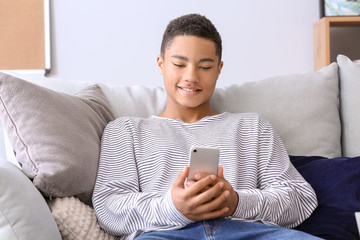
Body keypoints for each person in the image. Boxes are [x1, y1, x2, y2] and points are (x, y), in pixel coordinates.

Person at [93, 14, 320, 240]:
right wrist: (174, 207)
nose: (191, 77)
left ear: (219, 69)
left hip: (247, 231)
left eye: (205, 66)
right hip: (165, 234)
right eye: (179, 64)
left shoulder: (253, 127)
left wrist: (236, 202)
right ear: (161, 64)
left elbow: (301, 198)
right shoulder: (125, 131)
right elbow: (108, 208)